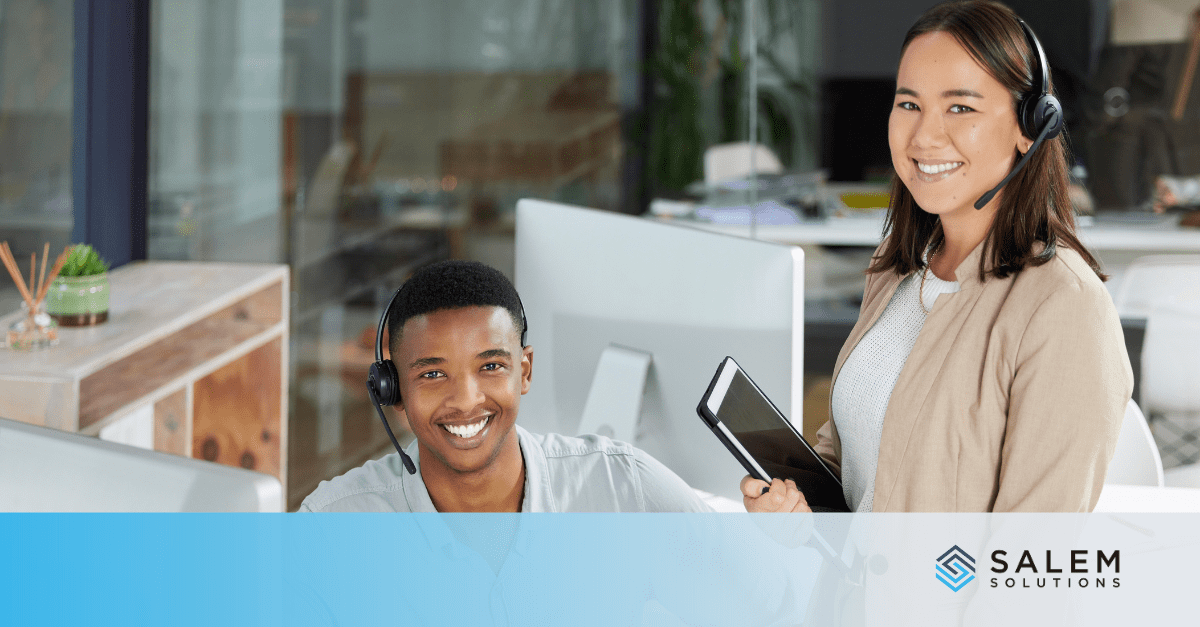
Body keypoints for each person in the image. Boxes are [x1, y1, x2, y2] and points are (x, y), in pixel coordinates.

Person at [742, 0, 1133, 513]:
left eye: (961, 107)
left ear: (1029, 126)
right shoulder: (899, 266)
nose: (924, 136)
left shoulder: (1065, 307)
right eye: (909, 105)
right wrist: (797, 506)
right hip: (840, 586)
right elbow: (860, 458)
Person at [300, 260, 710, 513]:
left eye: (491, 366)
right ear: (393, 390)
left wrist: (772, 535)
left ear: (525, 370)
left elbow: (761, 597)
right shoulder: (335, 524)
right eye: (432, 374)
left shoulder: (621, 486)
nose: (465, 400)